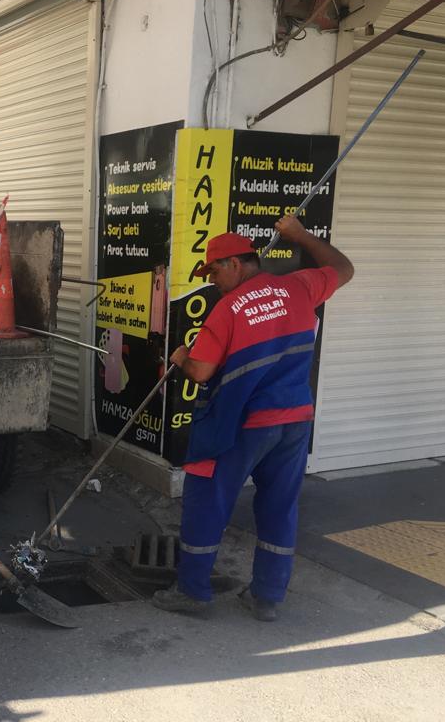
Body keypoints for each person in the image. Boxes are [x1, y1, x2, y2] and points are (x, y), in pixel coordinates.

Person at [152, 215, 354, 621]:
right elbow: (345, 268)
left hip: (242, 423)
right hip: (295, 420)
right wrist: (301, 235)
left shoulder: (227, 311)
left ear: (237, 264)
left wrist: (179, 357)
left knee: (206, 497)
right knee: (279, 506)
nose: (211, 280)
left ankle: (192, 592)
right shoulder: (300, 287)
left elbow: (202, 372)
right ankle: (266, 597)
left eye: (213, 271)